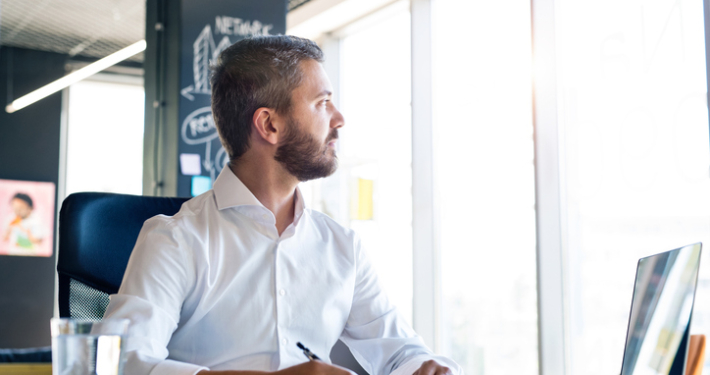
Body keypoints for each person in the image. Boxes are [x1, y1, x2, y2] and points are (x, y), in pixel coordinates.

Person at [103, 35, 462, 375]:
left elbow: (402, 352)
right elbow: (121, 363)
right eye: (322, 103)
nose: (338, 119)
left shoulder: (342, 247)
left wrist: (426, 366)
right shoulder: (175, 239)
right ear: (269, 124)